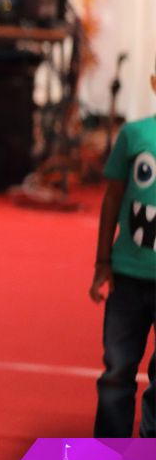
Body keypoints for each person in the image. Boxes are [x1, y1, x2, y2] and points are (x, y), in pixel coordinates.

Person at [90, 66, 155, 438]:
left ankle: (149, 451)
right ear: (154, 83)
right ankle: (110, 450)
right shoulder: (134, 134)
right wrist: (102, 261)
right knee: (117, 367)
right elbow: (112, 197)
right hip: (128, 274)